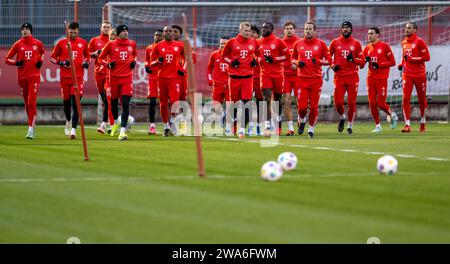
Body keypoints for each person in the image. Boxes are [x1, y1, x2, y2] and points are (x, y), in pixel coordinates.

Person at [221, 22, 261, 139]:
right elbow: (223, 56)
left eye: (249, 31)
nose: (248, 33)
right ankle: (229, 125)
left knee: (246, 103)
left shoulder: (254, 42)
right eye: (246, 31)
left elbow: (259, 55)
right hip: (234, 77)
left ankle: (242, 129)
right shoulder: (232, 42)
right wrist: (231, 62)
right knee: (233, 104)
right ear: (240, 30)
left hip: (248, 77)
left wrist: (256, 61)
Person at [292, 21, 332, 139]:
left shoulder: (321, 44)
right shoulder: (298, 43)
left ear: (315, 31)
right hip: (301, 80)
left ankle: (311, 129)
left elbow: (329, 60)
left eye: (310, 29)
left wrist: (318, 61)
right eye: (305, 29)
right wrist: (299, 62)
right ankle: (302, 119)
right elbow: (292, 59)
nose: (307, 31)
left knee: (314, 107)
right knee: (302, 107)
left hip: (316, 80)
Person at [5, 23, 45, 139]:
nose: (25, 31)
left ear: (31, 31)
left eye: (27, 29)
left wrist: (40, 62)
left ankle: (30, 129)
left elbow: (42, 53)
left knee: (31, 101)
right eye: (23, 29)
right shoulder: (18, 44)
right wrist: (16, 63)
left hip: (34, 76)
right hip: (22, 78)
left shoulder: (38, 43)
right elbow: (7, 59)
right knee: (27, 104)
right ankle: (32, 123)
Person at [50, 21, 89, 139]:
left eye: (75, 31)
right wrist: (61, 62)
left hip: (78, 78)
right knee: (66, 105)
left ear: (78, 31)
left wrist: (86, 62)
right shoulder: (62, 43)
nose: (73, 33)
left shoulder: (83, 43)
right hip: (65, 79)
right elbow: (52, 58)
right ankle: (68, 121)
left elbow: (87, 56)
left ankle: (73, 130)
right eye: (71, 31)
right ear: (68, 31)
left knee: (76, 104)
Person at [98, 24, 137, 141]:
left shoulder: (132, 44)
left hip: (127, 78)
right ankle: (115, 122)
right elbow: (100, 58)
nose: (126, 33)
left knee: (125, 104)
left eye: (127, 31)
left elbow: (134, 54)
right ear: (119, 33)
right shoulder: (111, 44)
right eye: (124, 31)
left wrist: (133, 61)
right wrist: (108, 64)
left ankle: (123, 131)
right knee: (113, 104)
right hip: (113, 79)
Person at [329, 21, 365, 135]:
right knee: (337, 103)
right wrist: (333, 66)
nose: (345, 29)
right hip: (339, 77)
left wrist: (352, 59)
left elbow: (363, 63)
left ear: (351, 30)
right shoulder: (334, 42)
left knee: (351, 103)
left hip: (352, 77)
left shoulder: (356, 43)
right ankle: (342, 117)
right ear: (341, 29)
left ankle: (350, 125)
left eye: (347, 27)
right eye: (343, 27)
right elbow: (327, 57)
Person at [150, 26, 185, 137]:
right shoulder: (158, 46)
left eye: (170, 31)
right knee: (163, 103)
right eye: (166, 31)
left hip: (174, 78)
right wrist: (157, 61)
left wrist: (182, 69)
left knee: (175, 102)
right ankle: (166, 127)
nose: (169, 33)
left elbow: (186, 58)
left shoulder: (179, 45)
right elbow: (151, 63)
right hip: (161, 78)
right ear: (164, 33)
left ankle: (173, 121)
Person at [362, 27, 398, 133]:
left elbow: (392, 62)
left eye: (371, 33)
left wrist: (380, 65)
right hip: (370, 78)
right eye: (368, 34)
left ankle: (392, 114)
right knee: (372, 103)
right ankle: (378, 126)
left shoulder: (385, 46)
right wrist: (362, 60)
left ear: (377, 35)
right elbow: (362, 65)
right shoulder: (367, 48)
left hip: (381, 79)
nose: (369, 35)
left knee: (381, 103)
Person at [258, 22, 290, 137]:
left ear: (272, 29)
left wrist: (275, 59)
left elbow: (287, 56)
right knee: (266, 98)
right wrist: (260, 59)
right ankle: (267, 126)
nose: (263, 30)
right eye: (262, 28)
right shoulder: (258, 42)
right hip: (265, 74)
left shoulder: (278, 41)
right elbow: (253, 55)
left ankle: (277, 122)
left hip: (278, 75)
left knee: (277, 99)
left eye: (266, 28)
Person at [398, 22, 430, 133]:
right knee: (405, 99)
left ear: (415, 30)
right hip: (407, 74)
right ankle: (407, 125)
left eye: (409, 28)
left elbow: (427, 57)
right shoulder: (403, 43)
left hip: (420, 75)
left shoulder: (420, 42)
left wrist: (412, 59)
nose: (406, 30)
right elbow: (405, 57)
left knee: (422, 99)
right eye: (406, 28)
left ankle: (422, 123)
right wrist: (402, 64)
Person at [88, 21, 112, 134]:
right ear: (100, 28)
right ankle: (122, 121)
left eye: (108, 27)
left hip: (111, 74)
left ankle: (105, 124)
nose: (106, 28)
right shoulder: (94, 40)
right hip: (99, 73)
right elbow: (87, 54)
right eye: (104, 27)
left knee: (108, 100)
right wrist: (95, 53)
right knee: (104, 99)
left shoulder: (113, 41)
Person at [281, 21, 300, 136]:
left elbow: (302, 59)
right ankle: (290, 128)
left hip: (298, 76)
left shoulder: (299, 42)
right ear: (284, 30)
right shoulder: (281, 43)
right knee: (286, 101)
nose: (289, 30)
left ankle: (300, 118)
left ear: (294, 30)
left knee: (300, 102)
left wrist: (296, 64)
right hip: (285, 76)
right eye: (287, 28)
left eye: (291, 28)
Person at [207, 36, 230, 129]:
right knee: (216, 107)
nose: (223, 45)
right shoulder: (214, 54)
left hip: (229, 85)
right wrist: (209, 79)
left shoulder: (233, 55)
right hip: (217, 85)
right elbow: (209, 68)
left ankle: (228, 127)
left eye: (225, 44)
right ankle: (221, 117)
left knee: (230, 106)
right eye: (221, 44)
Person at [145, 29, 164, 135]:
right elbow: (147, 60)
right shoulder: (149, 48)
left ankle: (168, 124)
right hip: (152, 78)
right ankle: (152, 125)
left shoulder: (165, 47)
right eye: (156, 35)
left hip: (162, 77)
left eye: (159, 35)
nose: (157, 36)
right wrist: (146, 67)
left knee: (164, 102)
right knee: (152, 102)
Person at [250, 24, 262, 136]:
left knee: (260, 102)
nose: (252, 34)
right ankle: (249, 125)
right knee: (246, 102)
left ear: (257, 34)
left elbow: (263, 57)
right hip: (246, 77)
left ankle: (259, 125)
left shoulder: (260, 45)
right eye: (250, 32)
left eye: (254, 32)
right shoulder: (243, 44)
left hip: (259, 77)